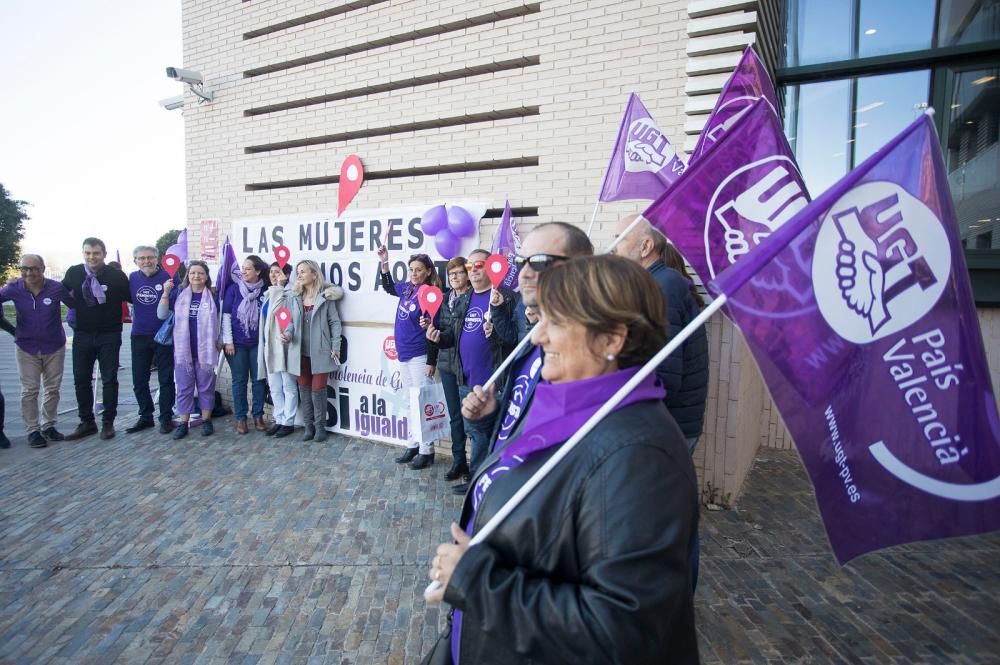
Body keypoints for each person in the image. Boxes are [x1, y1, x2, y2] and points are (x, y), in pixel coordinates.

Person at [424, 255, 700, 664]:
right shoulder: (563, 404)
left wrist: (474, 580)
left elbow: (620, 633)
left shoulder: (638, 456)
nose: (537, 338)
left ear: (612, 339)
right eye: (539, 319)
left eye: (556, 322)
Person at [460, 222, 593, 473]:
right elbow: (520, 426)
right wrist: (490, 417)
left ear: (581, 269)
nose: (524, 274)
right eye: (522, 263)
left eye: (540, 261)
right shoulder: (531, 338)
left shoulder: (594, 362)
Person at [611, 214, 709, 453]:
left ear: (645, 246)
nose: (613, 247)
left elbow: (664, 376)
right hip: (661, 426)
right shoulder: (652, 284)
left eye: (620, 239)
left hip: (664, 431)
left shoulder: (662, 289)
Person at [427, 249, 519, 494]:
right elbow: (453, 337)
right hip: (466, 378)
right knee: (473, 432)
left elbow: (513, 339)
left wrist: (497, 319)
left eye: (478, 264)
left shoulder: (506, 298)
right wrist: (437, 338)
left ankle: (483, 480)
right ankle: (478, 477)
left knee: (490, 434)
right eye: (469, 267)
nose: (473, 270)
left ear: (491, 268)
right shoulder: (464, 299)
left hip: (494, 381)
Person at [377, 248, 441, 469]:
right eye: (411, 269)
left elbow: (434, 328)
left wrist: (431, 360)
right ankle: (413, 444)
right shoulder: (407, 289)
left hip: (420, 354)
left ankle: (427, 450)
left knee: (422, 402)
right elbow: (387, 286)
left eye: (419, 270)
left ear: (427, 271)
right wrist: (385, 262)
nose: (414, 273)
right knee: (409, 401)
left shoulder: (429, 292)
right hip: (403, 353)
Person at [0, 254, 74, 448]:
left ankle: (48, 425)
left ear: (42, 268)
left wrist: (76, 324)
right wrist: (10, 329)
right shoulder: (14, 288)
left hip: (54, 346)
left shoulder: (55, 288)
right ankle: (33, 430)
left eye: (34, 268)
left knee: (52, 388)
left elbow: (75, 305)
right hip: (26, 347)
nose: (29, 272)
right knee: (30, 390)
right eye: (24, 268)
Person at [62, 237, 131, 441]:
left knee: (109, 379)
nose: (92, 257)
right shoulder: (74, 272)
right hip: (82, 333)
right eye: (88, 253)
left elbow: (133, 298)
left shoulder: (116, 276)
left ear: (104, 254)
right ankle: (87, 422)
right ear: (83, 253)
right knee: (81, 378)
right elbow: (58, 292)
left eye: (96, 253)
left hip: (109, 333)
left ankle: (108, 422)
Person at [283, 260, 343, 442]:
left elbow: (335, 323)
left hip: (321, 351)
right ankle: (308, 426)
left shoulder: (325, 297)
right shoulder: (294, 297)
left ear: (314, 274)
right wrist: (286, 334)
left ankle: (320, 427)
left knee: (318, 389)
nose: (299, 275)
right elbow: (290, 322)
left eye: (303, 272)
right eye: (298, 272)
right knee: (304, 389)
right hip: (299, 351)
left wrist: (336, 346)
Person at [158, 261, 220, 439]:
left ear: (206, 276)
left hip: (206, 351)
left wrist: (220, 340)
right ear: (188, 275)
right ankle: (183, 423)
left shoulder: (213, 296)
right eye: (192, 273)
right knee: (184, 388)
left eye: (200, 273)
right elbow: (161, 314)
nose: (196, 276)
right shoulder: (178, 294)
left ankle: (206, 420)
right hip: (183, 351)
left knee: (206, 387)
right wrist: (165, 292)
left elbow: (221, 319)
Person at [126, 245, 178, 435]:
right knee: (139, 379)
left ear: (157, 259)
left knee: (165, 379)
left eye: (150, 257)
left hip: (164, 336)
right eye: (141, 258)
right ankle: (145, 415)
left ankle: (165, 416)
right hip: (139, 334)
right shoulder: (132, 278)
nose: (146, 261)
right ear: (136, 261)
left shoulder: (170, 277)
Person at [222, 255, 270, 434]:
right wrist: (228, 341)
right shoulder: (234, 289)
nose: (243, 272)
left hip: (258, 344)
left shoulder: (266, 290)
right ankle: (241, 418)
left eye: (248, 269)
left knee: (259, 380)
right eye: (243, 268)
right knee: (239, 381)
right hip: (237, 344)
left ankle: (258, 416)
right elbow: (226, 316)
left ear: (257, 271)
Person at [435, 257, 471, 482]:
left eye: (458, 273)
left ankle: (476, 463)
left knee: (472, 417)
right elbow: (444, 331)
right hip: (447, 364)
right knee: (455, 416)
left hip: (468, 365)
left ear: (467, 275)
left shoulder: (474, 298)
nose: (455, 277)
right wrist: (433, 333)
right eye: (451, 274)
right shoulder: (445, 299)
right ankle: (459, 461)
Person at [258, 262, 297, 438]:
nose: (273, 275)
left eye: (278, 272)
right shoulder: (269, 293)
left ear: (287, 275)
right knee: (274, 386)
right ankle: (279, 418)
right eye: (272, 272)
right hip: (269, 346)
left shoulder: (287, 294)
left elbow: (283, 316)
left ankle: (288, 421)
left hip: (284, 346)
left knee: (288, 386)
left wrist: (279, 288)